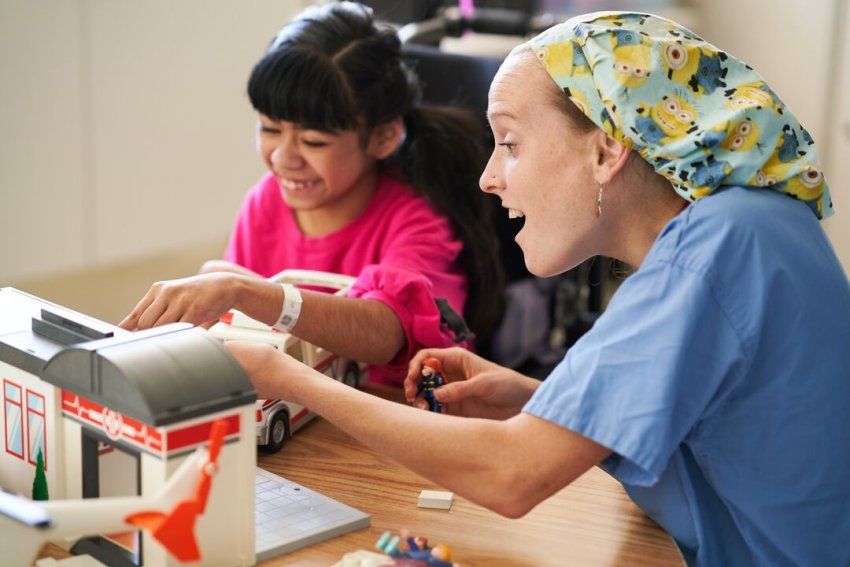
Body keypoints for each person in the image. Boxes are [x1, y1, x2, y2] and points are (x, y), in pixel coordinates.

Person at [224, 11, 850, 565]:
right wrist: (532, 400)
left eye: (511, 144)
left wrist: (285, 378)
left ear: (607, 150)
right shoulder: (751, 227)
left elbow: (511, 475)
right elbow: (714, 440)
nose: (489, 178)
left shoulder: (712, 255)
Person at [118, 2, 504, 386]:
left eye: (314, 141)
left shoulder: (419, 219)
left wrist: (246, 291)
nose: (284, 158)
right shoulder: (266, 201)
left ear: (383, 136)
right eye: (269, 128)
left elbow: (389, 333)